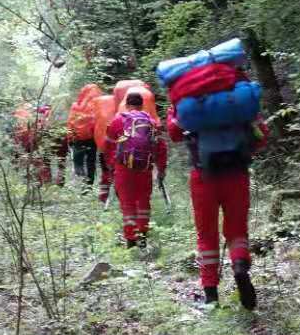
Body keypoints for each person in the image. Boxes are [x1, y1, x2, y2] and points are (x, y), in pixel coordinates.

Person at [167, 109, 267, 308]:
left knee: (206, 235)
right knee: (237, 230)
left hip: (203, 176)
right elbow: (262, 135)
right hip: (237, 175)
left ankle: (211, 295)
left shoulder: (186, 95)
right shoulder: (238, 95)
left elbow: (174, 133)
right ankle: (239, 266)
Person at [101, 91, 167, 249]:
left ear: (126, 104)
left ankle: (131, 239)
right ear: (142, 104)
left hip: (123, 169)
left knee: (128, 203)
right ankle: (143, 235)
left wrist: (111, 166)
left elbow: (108, 146)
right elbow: (161, 147)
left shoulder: (118, 121)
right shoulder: (151, 122)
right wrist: (161, 169)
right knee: (143, 200)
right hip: (145, 169)